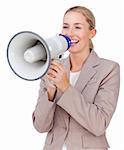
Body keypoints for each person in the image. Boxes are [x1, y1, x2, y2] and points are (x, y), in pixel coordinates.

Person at [32, 6, 120, 150]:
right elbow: (41, 126)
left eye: (77, 27)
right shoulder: (51, 69)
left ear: (92, 33)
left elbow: (99, 125)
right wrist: (50, 93)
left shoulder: (109, 69)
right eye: (65, 27)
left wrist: (66, 87)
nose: (70, 33)